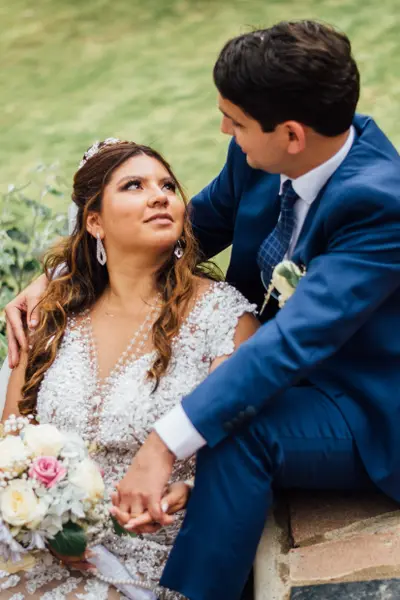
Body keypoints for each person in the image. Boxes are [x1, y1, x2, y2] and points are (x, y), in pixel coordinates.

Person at [5, 19, 400, 600]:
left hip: (362, 403)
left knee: (239, 430)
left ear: (292, 135)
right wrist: (62, 275)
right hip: (270, 369)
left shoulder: (379, 203)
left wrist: (162, 444)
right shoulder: (257, 158)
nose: (224, 131)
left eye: (235, 122)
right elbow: (186, 229)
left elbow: (293, 341)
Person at [0, 139, 258, 599]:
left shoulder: (223, 318)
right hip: (39, 548)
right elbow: (9, 453)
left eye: (167, 186)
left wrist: (191, 488)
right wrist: (46, 525)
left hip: (157, 556)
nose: (159, 196)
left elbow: (244, 447)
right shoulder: (51, 317)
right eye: (134, 186)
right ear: (94, 221)